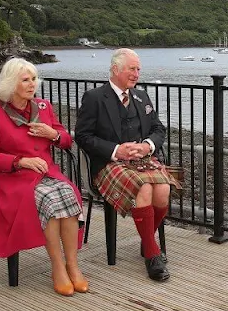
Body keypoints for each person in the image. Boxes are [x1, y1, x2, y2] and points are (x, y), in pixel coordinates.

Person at [0, 58, 88, 297]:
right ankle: (58, 268)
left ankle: (73, 265)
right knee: (50, 200)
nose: (32, 84)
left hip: (46, 173)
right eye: (25, 80)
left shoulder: (44, 107)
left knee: (68, 195)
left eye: (34, 79)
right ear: (10, 83)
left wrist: (53, 134)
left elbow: (67, 140)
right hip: (15, 180)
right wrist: (20, 161)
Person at [74, 48, 181, 282]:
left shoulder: (142, 96)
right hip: (108, 164)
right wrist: (116, 150)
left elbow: (158, 129)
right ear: (115, 70)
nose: (136, 74)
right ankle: (152, 255)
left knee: (163, 188)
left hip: (142, 159)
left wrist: (147, 146)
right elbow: (82, 136)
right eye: (132, 69)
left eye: (138, 69)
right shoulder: (94, 98)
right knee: (143, 187)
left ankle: (147, 240)